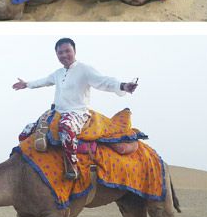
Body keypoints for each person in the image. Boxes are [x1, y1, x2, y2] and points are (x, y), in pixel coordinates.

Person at [12, 38, 137, 179]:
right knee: (27, 131)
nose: (64, 55)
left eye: (67, 51)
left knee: (65, 128)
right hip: (57, 111)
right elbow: (44, 81)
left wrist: (123, 85)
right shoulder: (58, 73)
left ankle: (72, 164)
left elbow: (104, 81)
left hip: (77, 113)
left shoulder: (84, 70)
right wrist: (27, 84)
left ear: (74, 51)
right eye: (60, 53)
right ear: (57, 55)